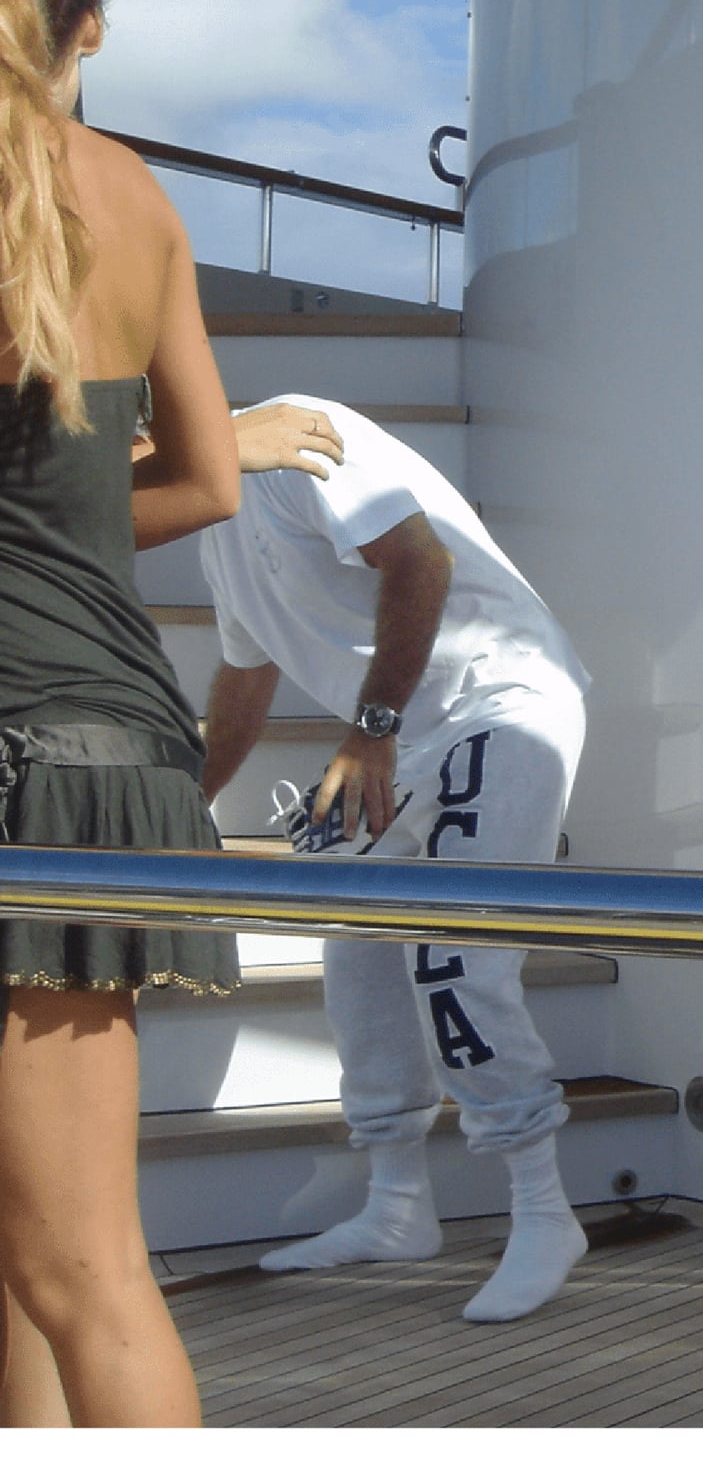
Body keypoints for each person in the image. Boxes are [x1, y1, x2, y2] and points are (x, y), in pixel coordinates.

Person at [0, 0, 242, 1427]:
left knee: (82, 1269)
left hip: (25, 764)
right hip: (110, 747)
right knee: (38, 1261)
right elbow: (208, 482)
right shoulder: (136, 193)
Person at [196, 397, 593, 1324]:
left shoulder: (298, 437)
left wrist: (369, 729)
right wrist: (187, 798)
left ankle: (545, 1209)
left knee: (456, 954)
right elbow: (245, 676)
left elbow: (422, 559)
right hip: (400, 734)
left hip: (499, 698)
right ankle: (398, 1206)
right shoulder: (219, 531)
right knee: (359, 960)